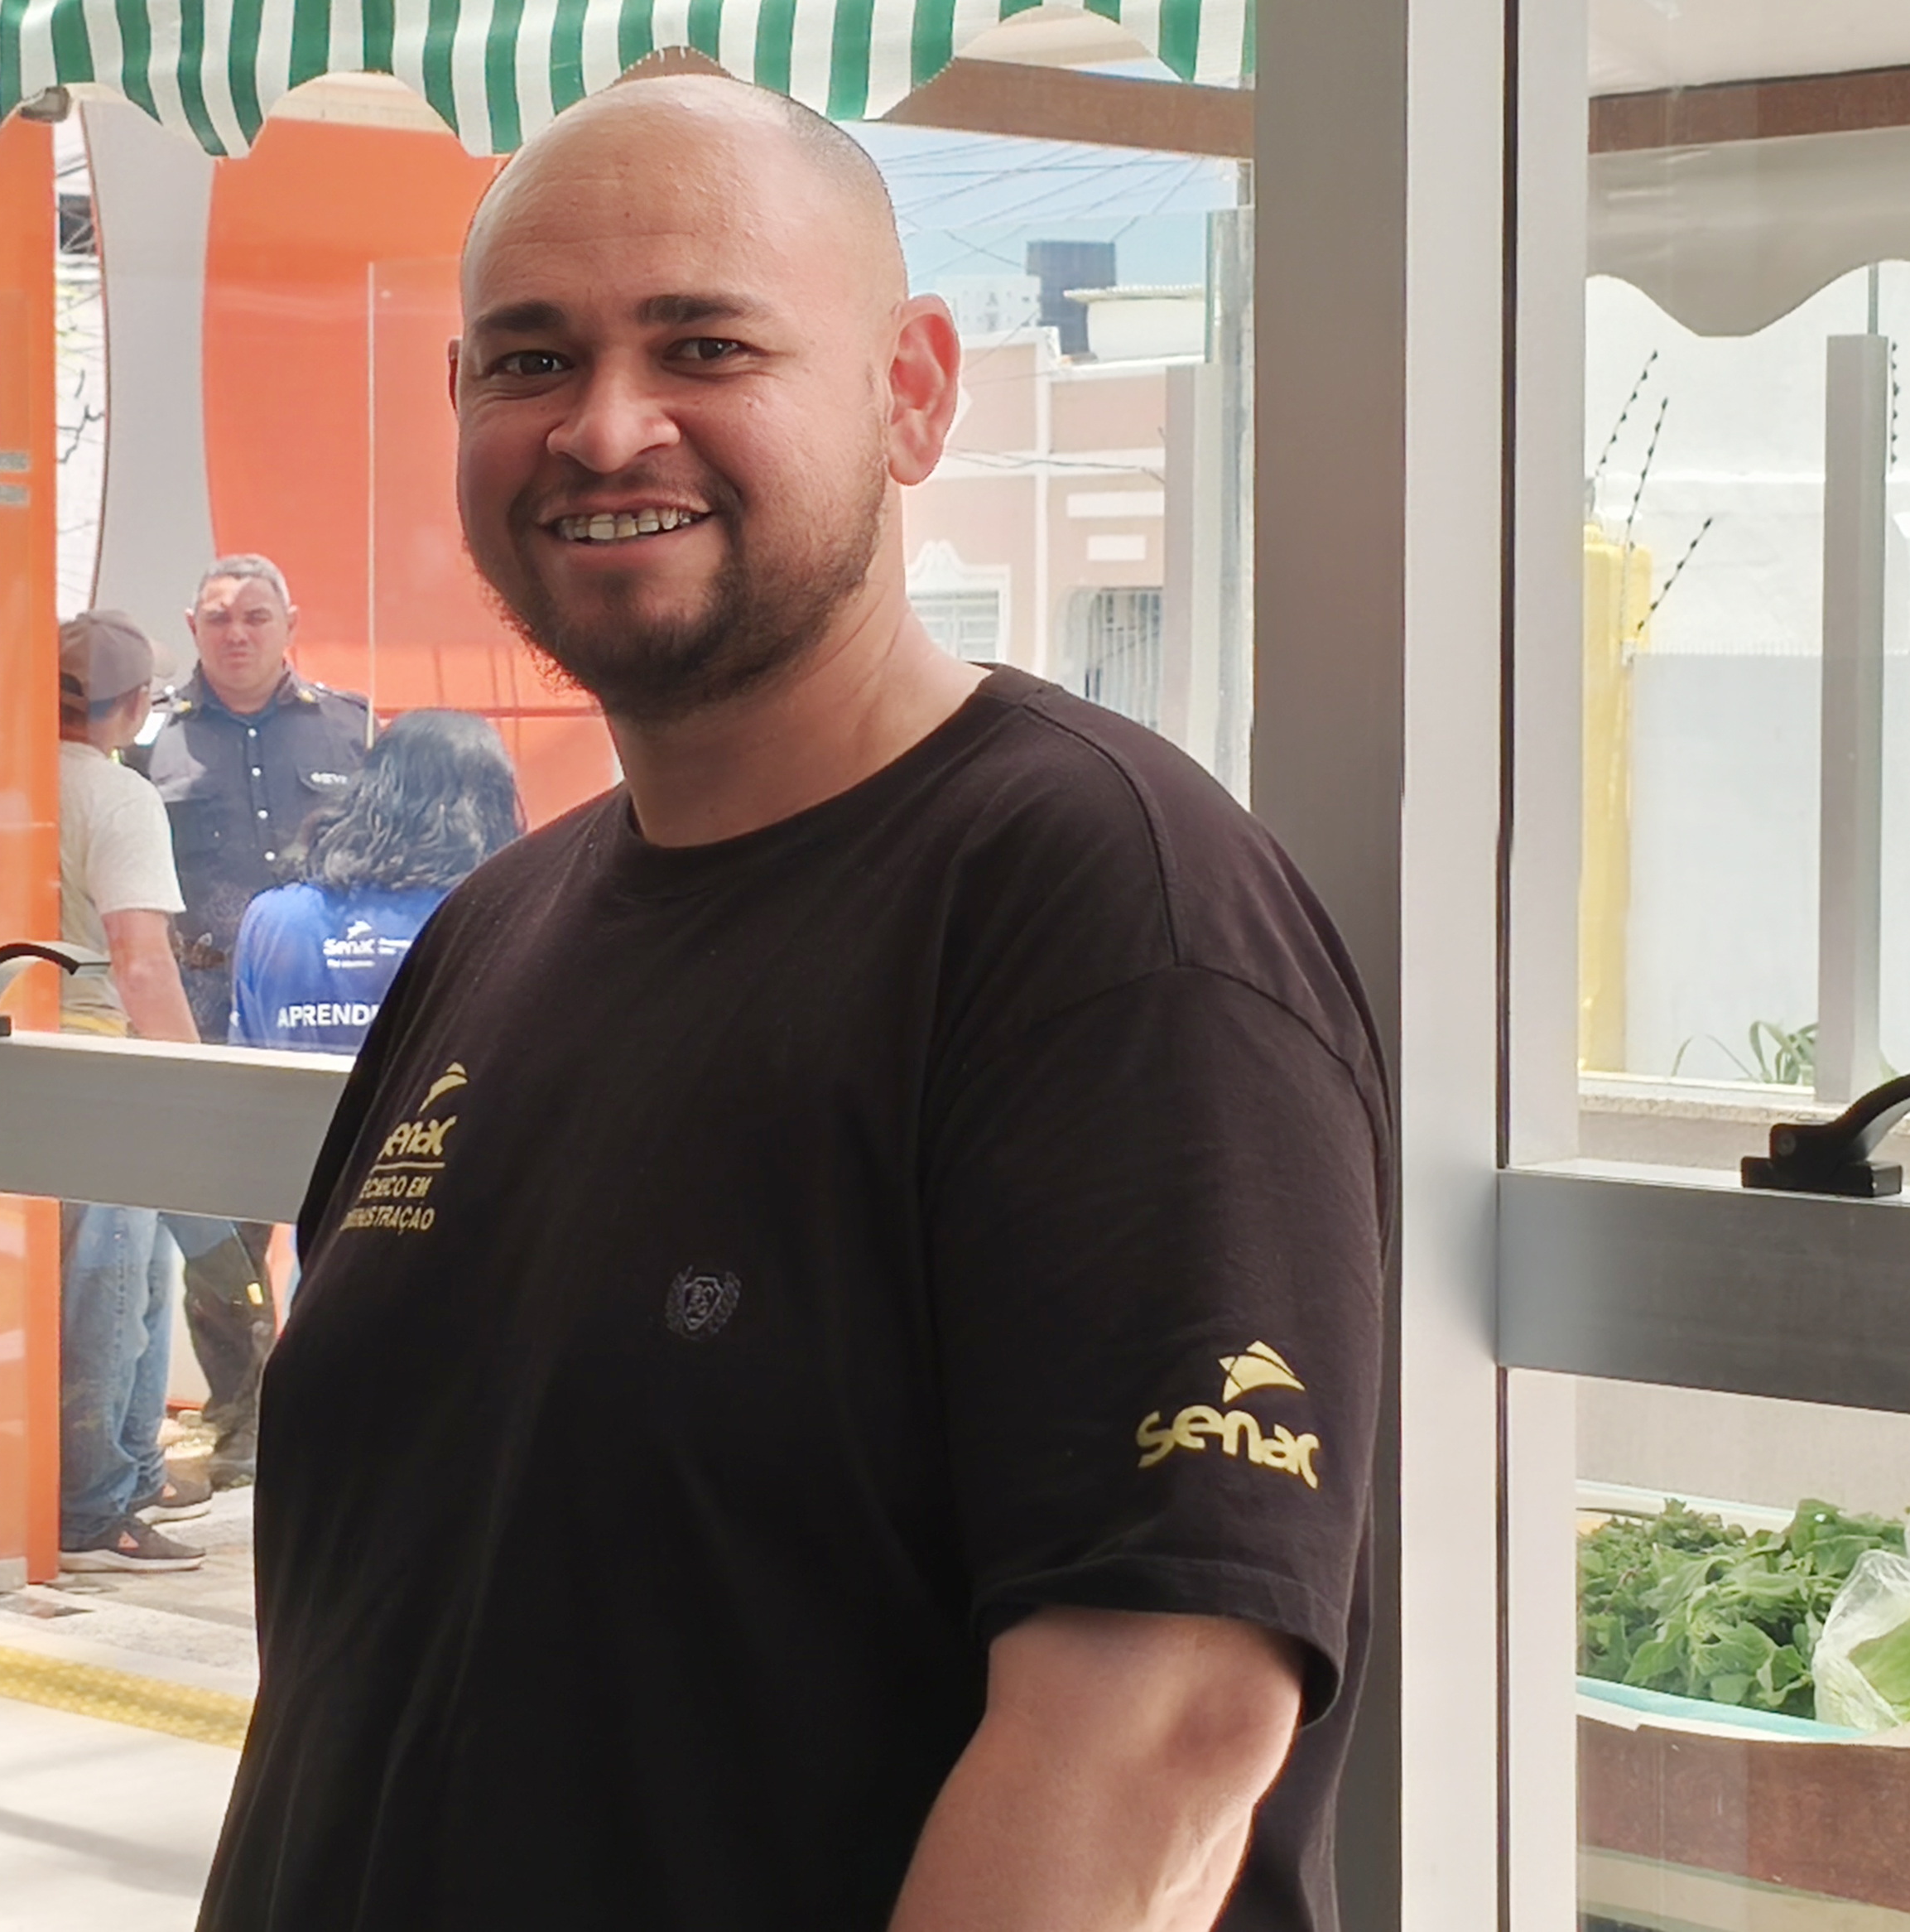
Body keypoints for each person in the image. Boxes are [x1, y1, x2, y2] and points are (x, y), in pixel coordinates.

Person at [200, 75, 1388, 1932]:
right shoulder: (499, 928)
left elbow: (1159, 1727)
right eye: (532, 359)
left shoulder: (1103, 911)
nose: (606, 426)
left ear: (912, 393)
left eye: (706, 345)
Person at [129, 556, 372, 1482]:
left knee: (344, 1200)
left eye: (256, 616)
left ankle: (338, 1399)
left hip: (322, 1001)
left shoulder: (351, 727)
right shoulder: (151, 740)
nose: (237, 633)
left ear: (289, 624)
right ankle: (242, 1413)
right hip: (202, 1003)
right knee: (219, 1222)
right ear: (192, 626)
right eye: (220, 617)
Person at [53, 610, 263, 1572]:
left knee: (96, 1287)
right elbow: (139, 961)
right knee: (117, 1291)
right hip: (100, 1068)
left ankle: (115, 1481)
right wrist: (188, 1080)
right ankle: (99, 1502)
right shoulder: (116, 796)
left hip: (7, 1056)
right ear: (135, 704)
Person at [227, 710, 525, 1056]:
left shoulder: (273, 918)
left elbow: (245, 1070)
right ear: (490, 808)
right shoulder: (499, 923)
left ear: (367, 790)